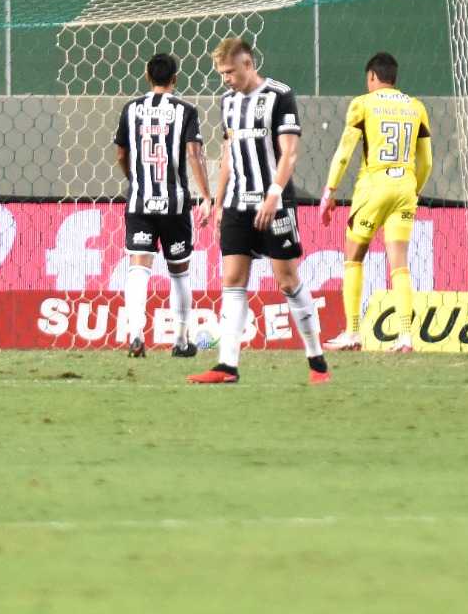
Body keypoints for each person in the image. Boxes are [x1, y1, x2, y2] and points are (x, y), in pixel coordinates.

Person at [188, 38, 329, 385]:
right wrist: (218, 202)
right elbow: (229, 153)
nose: (226, 79)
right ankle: (227, 366)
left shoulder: (279, 95)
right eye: (221, 73)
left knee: (287, 282)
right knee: (233, 281)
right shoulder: (228, 101)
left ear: (248, 64)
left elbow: (290, 152)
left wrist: (273, 194)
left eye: (230, 71)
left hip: (274, 205)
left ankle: (317, 362)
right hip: (237, 204)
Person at [316, 52, 432, 352]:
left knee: (353, 257)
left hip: (372, 188)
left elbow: (344, 153)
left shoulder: (362, 104)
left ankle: (353, 332)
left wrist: (329, 192)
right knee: (399, 265)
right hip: (405, 188)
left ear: (372, 77)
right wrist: (414, 189)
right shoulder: (416, 107)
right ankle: (405, 337)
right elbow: (427, 162)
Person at [114, 52, 213, 358]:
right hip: (175, 205)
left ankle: (134, 336)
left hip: (141, 203)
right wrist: (207, 198)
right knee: (179, 271)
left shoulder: (131, 109)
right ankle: (181, 341)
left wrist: (137, 179)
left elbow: (120, 154)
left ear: (147, 77)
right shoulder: (186, 110)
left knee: (138, 268)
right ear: (175, 79)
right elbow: (194, 154)